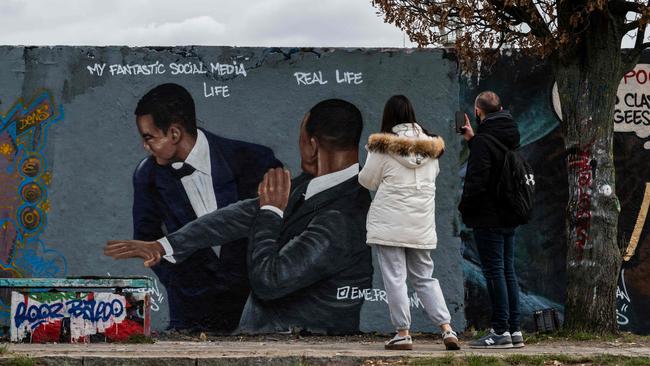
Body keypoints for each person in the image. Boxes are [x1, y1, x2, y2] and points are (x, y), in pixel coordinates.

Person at [106, 99, 374, 335]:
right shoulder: (312, 185)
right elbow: (240, 215)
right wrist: (164, 245)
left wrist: (271, 212)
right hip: (267, 336)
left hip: (299, 342)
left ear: (313, 146)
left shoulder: (341, 218)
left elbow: (269, 280)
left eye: (301, 139)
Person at [130, 83, 282, 332]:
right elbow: (146, 237)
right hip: (191, 315)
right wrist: (179, 281)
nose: (145, 146)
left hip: (253, 311)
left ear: (175, 133)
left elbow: (277, 222)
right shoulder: (147, 175)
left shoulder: (254, 159)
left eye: (149, 137)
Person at [358, 95, 460, 351]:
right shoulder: (432, 149)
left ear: (388, 116)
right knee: (425, 277)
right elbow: (432, 177)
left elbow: (367, 181)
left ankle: (403, 334)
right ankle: (447, 329)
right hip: (421, 223)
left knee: (395, 278)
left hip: (390, 222)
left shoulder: (382, 147)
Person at [459, 91, 524, 348]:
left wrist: (465, 207)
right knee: (508, 271)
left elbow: (477, 181)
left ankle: (499, 332)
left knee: (495, 272)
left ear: (478, 112)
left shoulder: (485, 141)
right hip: (510, 214)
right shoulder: (512, 136)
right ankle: (514, 330)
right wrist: (473, 141)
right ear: (502, 108)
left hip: (488, 217)